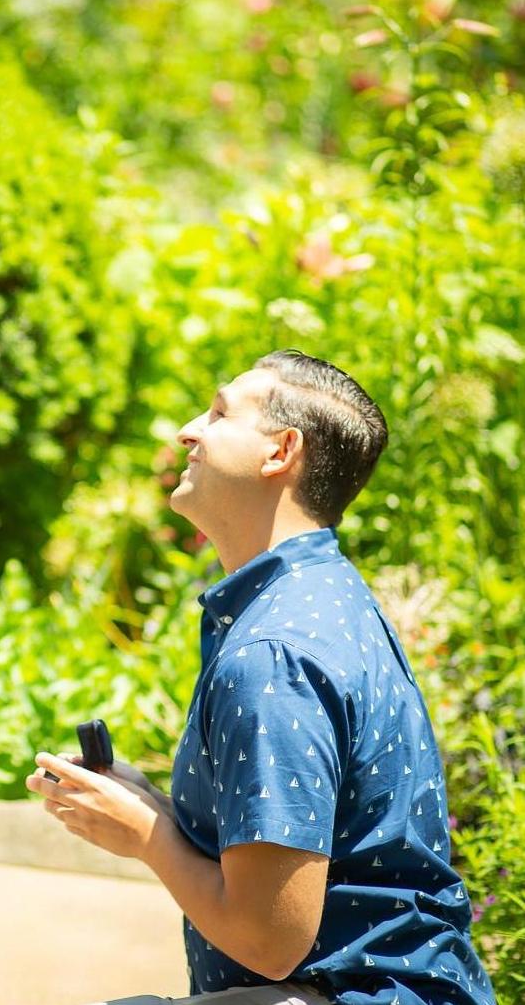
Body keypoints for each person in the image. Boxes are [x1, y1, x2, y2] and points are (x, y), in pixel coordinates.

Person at [27, 351, 495, 1005]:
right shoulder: (322, 597)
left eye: (218, 413)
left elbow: (269, 941)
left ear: (281, 452)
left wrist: (147, 837)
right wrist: (150, 805)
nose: (188, 430)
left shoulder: (274, 652)